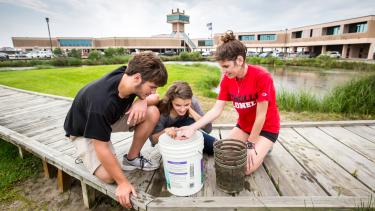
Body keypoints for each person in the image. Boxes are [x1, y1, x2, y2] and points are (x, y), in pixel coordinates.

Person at [63, 52, 168, 209]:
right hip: (83, 131)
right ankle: (83, 153)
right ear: (138, 78)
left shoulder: (127, 74)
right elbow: (102, 147)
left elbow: (155, 98)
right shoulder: (101, 103)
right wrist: (123, 183)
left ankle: (132, 158)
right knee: (109, 176)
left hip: (110, 119)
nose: (153, 92)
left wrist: (142, 101)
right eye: (152, 87)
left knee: (152, 112)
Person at [176, 31, 280, 175]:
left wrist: (251, 144)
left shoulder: (262, 77)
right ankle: (256, 146)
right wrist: (192, 128)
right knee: (223, 158)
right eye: (221, 67)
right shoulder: (227, 80)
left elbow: (261, 116)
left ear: (239, 60)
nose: (223, 71)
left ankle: (265, 147)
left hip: (266, 128)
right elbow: (216, 110)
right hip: (244, 127)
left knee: (244, 168)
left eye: (226, 66)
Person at [150, 81, 216, 155]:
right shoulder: (163, 110)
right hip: (170, 139)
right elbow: (153, 140)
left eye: (186, 104)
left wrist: (190, 109)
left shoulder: (193, 101)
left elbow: (207, 128)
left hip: (186, 128)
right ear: (171, 101)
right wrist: (165, 131)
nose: (182, 109)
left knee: (214, 146)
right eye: (178, 105)